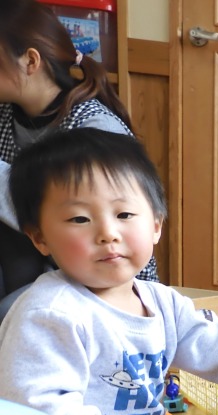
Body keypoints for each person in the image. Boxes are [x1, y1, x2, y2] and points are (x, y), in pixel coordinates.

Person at [0, 128, 218, 415]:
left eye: (124, 214)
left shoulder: (161, 301)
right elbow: (38, 409)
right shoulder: (50, 313)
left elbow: (215, 347)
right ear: (40, 238)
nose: (108, 233)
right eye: (79, 219)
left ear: (155, 224)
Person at [0, 0, 158, 323]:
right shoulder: (6, 113)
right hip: (44, 260)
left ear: (30, 61)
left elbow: (74, 216)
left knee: (12, 316)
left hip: (101, 275)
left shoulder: (94, 126)